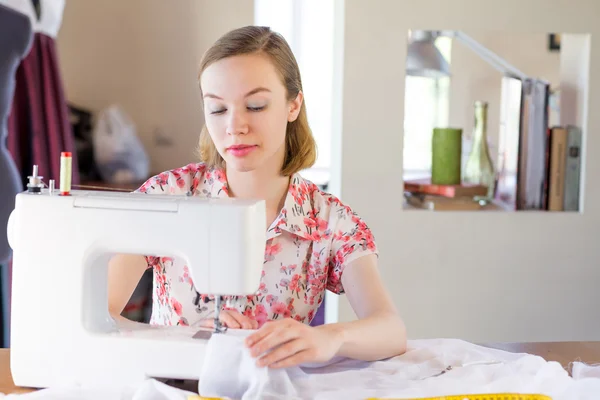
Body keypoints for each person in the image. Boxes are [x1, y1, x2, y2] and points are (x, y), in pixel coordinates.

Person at [108, 25, 407, 369]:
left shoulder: (328, 221)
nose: (235, 126)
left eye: (255, 105)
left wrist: (330, 336)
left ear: (293, 104)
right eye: (218, 110)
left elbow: (390, 329)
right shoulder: (168, 198)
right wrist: (187, 340)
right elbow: (98, 314)